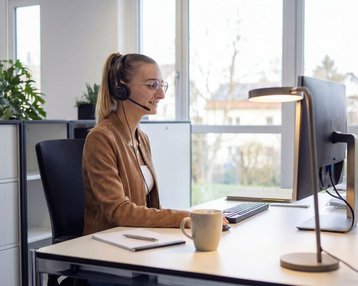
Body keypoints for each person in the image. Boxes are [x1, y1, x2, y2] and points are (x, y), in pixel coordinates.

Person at [82, 52, 191, 235]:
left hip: (137, 238)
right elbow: (119, 212)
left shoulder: (142, 139)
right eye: (152, 85)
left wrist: (191, 217)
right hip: (106, 245)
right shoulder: (101, 138)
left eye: (161, 85)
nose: (161, 94)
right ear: (121, 89)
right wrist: (184, 218)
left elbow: (149, 206)